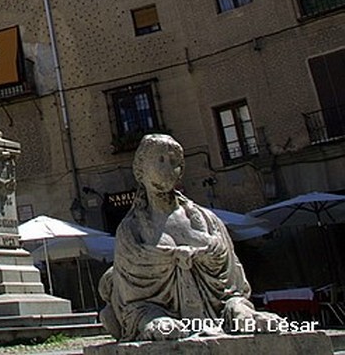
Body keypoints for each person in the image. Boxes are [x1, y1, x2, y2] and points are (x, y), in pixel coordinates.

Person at [98, 134, 285, 341]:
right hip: (147, 309)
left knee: (238, 308)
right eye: (160, 160)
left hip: (218, 310)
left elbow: (231, 286)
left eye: (174, 162)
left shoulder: (208, 221)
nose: (169, 168)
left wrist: (238, 307)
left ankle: (242, 315)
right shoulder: (130, 232)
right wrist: (148, 316)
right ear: (140, 170)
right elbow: (130, 299)